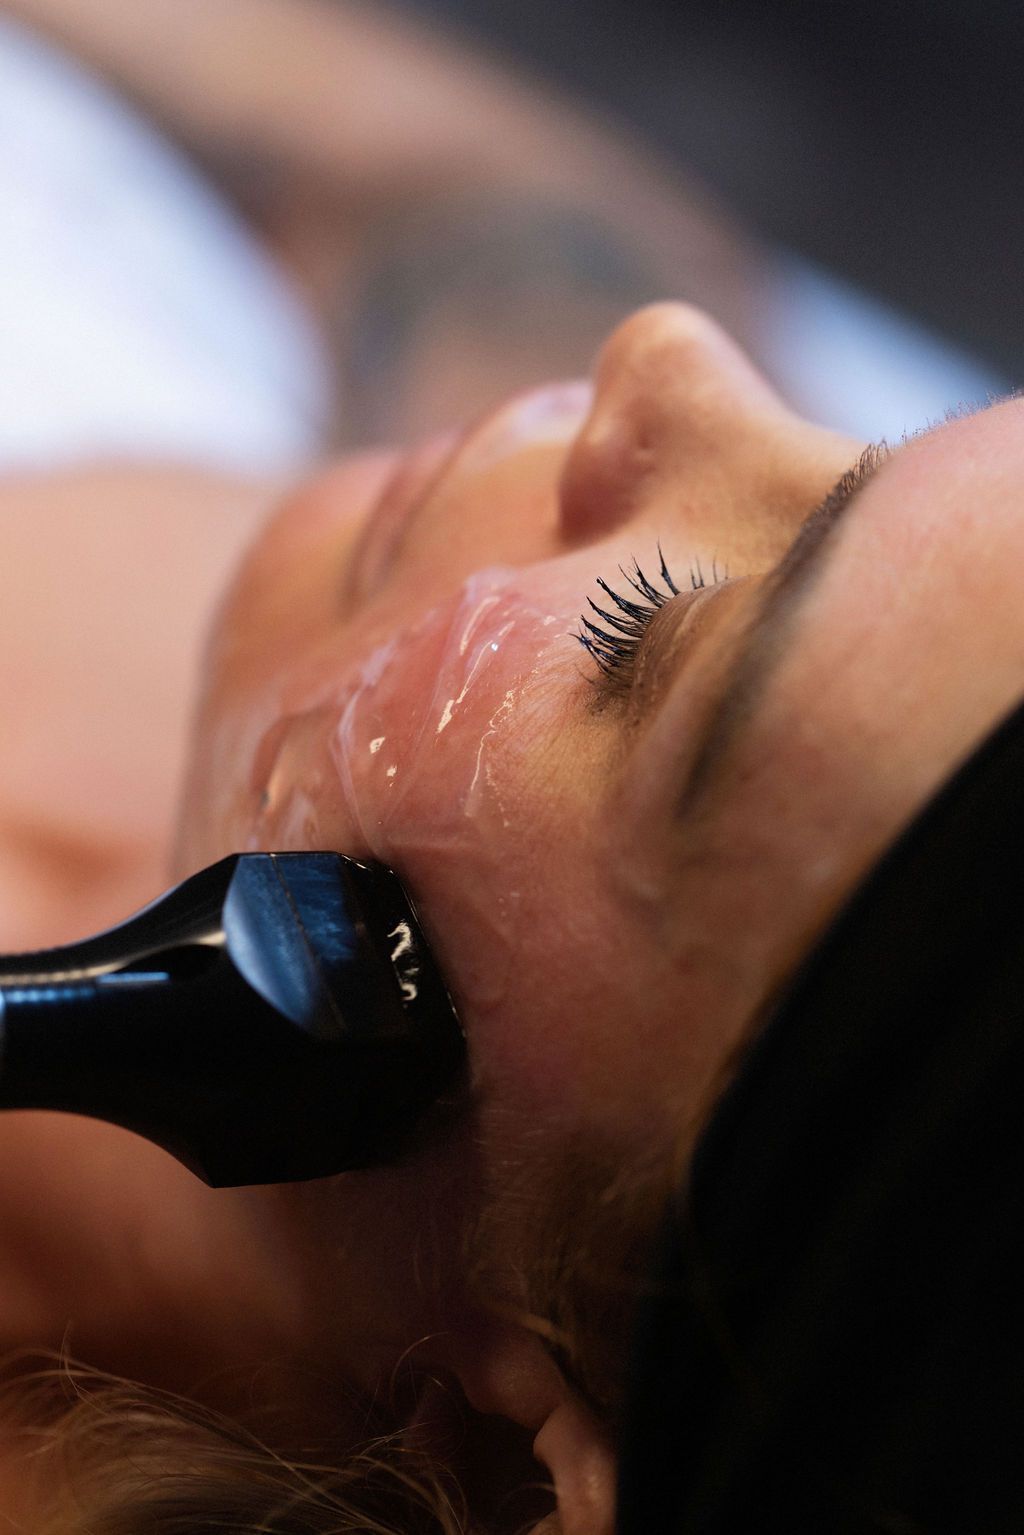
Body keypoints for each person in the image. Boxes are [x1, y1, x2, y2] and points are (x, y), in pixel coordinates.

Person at [0, 7, 1019, 1535]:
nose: (667, 361)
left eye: (643, 630)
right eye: (865, 455)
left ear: (556, 1475)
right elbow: (481, 205)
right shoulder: (400, 533)